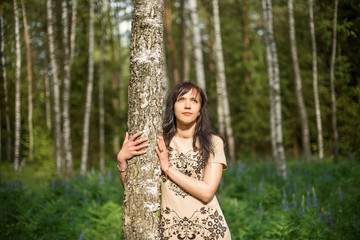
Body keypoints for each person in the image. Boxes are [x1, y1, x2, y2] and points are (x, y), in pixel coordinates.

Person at [117, 82, 231, 239]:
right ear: (172, 106)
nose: (187, 105)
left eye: (194, 100)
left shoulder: (213, 142)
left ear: (199, 111)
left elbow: (207, 192)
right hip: (171, 233)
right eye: (181, 99)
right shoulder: (158, 142)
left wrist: (168, 168)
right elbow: (137, 193)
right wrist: (122, 161)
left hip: (210, 232)